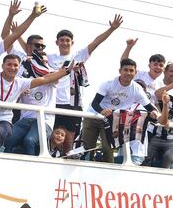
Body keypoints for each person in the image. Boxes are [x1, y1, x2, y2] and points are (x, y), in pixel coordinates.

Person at [0, 33, 70, 151]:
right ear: (2, 65)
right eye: (9, 65)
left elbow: (46, 79)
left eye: (15, 65)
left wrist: (68, 70)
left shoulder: (21, 82)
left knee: (2, 133)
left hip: (3, 121)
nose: (12, 68)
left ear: (18, 67)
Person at [48, 14, 124, 153]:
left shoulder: (77, 56)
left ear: (72, 42)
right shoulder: (49, 58)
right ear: (57, 42)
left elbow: (95, 43)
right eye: (62, 40)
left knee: (69, 138)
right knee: (52, 136)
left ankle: (67, 159)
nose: (65, 43)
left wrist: (111, 29)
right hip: (53, 101)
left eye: (67, 40)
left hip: (73, 104)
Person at [83, 58, 157, 163]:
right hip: (94, 115)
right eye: (125, 70)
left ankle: (106, 174)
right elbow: (95, 103)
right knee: (87, 146)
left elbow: (149, 107)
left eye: (131, 71)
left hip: (111, 120)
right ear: (120, 71)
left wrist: (154, 113)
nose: (128, 73)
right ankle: (82, 170)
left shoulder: (137, 89)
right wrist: (102, 111)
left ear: (135, 73)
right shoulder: (108, 83)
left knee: (108, 149)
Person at [4, 35, 59, 155]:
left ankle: (33, 171)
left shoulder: (50, 73)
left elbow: (56, 77)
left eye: (42, 46)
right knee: (8, 140)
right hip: (26, 119)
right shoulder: (21, 72)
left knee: (29, 140)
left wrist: (68, 69)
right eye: (37, 45)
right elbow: (12, 94)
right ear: (29, 47)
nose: (40, 48)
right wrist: (19, 91)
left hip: (44, 120)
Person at [120, 39, 166, 104]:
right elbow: (124, 63)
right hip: (130, 109)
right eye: (155, 64)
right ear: (149, 65)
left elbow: (156, 103)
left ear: (163, 69)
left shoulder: (161, 85)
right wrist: (129, 47)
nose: (158, 67)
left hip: (148, 112)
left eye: (161, 65)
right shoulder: (139, 74)